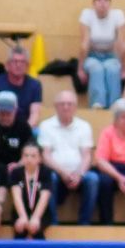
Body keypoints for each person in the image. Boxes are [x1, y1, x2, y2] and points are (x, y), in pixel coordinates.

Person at [38, 89, 99, 224]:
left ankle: (84, 223)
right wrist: (63, 172)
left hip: (79, 172)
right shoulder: (46, 125)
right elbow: (46, 156)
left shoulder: (84, 126)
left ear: (75, 107)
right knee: (49, 177)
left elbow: (87, 156)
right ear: (55, 106)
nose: (66, 107)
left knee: (93, 179)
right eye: (62, 104)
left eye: (70, 104)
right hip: (55, 171)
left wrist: (80, 174)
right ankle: (53, 222)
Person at [78, 0, 125, 109]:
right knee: (96, 68)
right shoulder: (87, 14)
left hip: (110, 55)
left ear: (110, 3)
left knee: (112, 69)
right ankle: (97, 104)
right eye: (98, 0)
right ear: (93, 4)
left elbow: (121, 44)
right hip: (92, 55)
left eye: (106, 0)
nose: (102, 3)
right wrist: (80, 69)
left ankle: (115, 105)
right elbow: (84, 44)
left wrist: (123, 68)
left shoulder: (117, 15)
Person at [0, 46, 42, 129]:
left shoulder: (35, 85)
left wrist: (23, 131)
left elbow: (34, 115)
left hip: (25, 128)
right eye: (15, 61)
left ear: (27, 66)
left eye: (22, 62)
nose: (18, 65)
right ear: (7, 64)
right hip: (1, 127)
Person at [0, 92, 33, 175]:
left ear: (15, 110)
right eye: (1, 113)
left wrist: (19, 164)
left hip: (18, 169)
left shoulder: (24, 127)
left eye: (8, 113)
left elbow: (31, 150)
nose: (5, 117)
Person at [9, 141, 51, 239]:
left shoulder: (45, 172)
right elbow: (16, 197)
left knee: (35, 228)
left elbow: (44, 198)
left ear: (40, 158)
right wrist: (23, 217)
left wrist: (36, 218)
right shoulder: (16, 173)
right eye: (26, 155)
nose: (29, 159)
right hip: (20, 211)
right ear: (22, 157)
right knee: (20, 228)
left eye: (33, 156)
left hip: (41, 212)